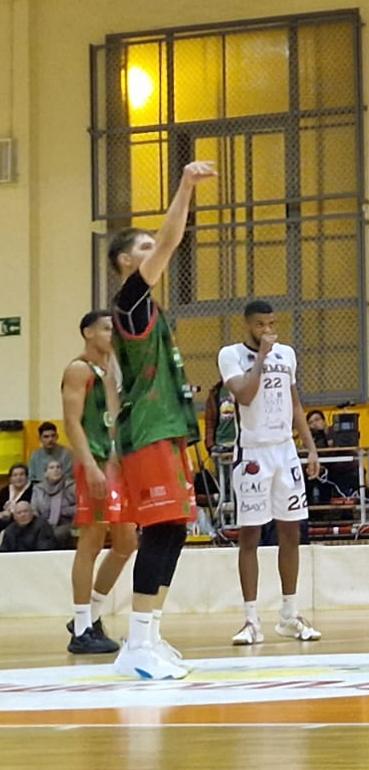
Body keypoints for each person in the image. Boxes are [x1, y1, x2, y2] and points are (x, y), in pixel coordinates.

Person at [108, 159, 216, 680]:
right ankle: (135, 641)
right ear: (127, 261)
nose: (158, 252)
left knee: (173, 531)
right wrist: (185, 186)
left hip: (167, 431)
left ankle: (147, 637)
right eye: (145, 248)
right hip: (146, 432)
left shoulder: (151, 313)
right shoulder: (129, 301)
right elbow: (173, 238)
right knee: (158, 532)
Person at [218, 300, 322, 646]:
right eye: (261, 325)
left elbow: (295, 403)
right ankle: (251, 620)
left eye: (272, 323)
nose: (268, 330)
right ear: (247, 325)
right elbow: (245, 396)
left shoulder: (287, 355)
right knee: (250, 535)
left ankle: (289, 615)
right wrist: (261, 357)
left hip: (285, 451)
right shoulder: (230, 355)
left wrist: (309, 447)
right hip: (253, 454)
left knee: (290, 532)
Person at [60, 311, 138, 653]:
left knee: (126, 543)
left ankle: (90, 615)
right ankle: (81, 630)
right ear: (88, 332)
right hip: (93, 463)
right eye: (107, 328)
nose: (112, 334)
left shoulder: (111, 371)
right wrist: (90, 466)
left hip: (116, 465)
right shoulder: (78, 370)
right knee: (91, 542)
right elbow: (72, 422)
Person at [30, 460, 76, 548]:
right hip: (43, 524)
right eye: (51, 468)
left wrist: (63, 511)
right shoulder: (38, 488)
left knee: (53, 535)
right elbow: (33, 509)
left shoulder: (70, 486)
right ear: (45, 473)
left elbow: (80, 508)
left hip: (66, 524)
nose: (56, 470)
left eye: (58, 467)